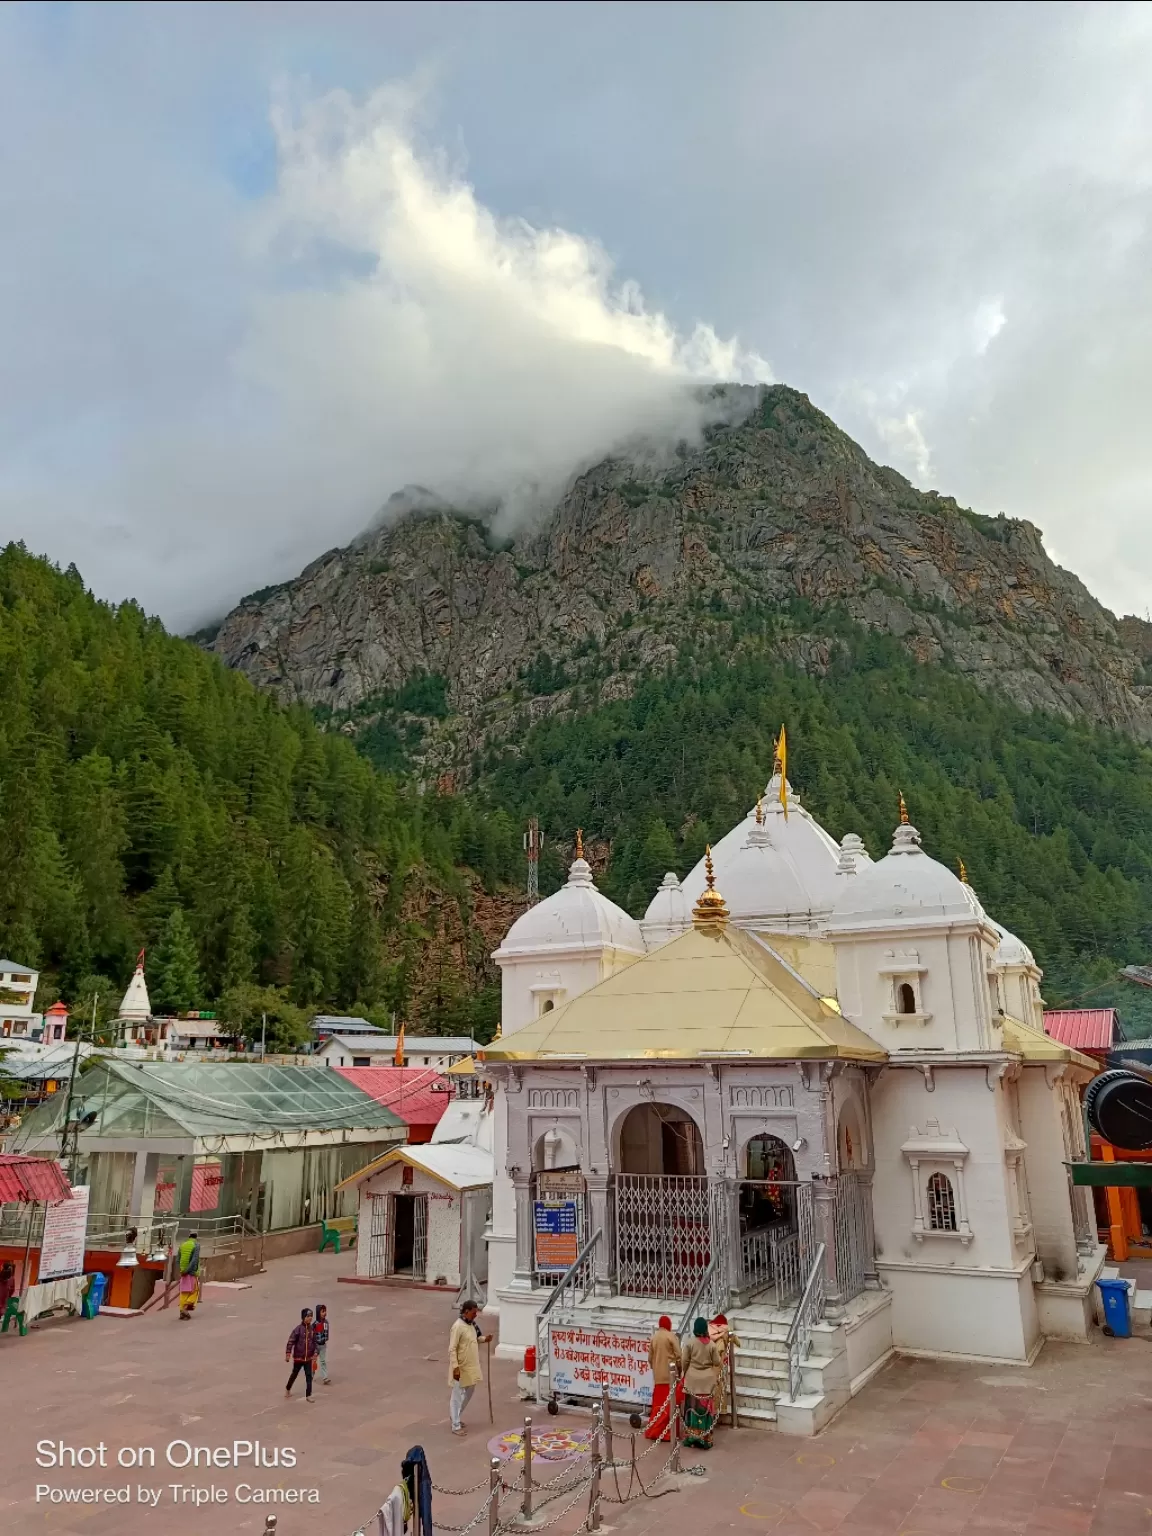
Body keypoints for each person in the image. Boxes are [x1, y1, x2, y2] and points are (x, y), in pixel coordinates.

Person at [448, 1300, 492, 1436]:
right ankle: (455, 1425)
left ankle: (457, 1416)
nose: (475, 1315)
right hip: (460, 1366)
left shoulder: (472, 1325)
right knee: (457, 1395)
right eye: (474, 1313)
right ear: (466, 1311)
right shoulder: (458, 1327)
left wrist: (485, 1339)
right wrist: (455, 1367)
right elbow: (452, 1348)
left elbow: (476, 1338)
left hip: (471, 1365)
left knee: (470, 1390)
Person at [680, 1317, 720, 1449]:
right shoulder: (712, 1345)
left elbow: (684, 1361)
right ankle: (705, 1438)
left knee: (692, 1409)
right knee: (705, 1410)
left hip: (692, 1381)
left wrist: (684, 1374)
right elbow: (717, 1362)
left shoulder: (690, 1343)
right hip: (707, 1382)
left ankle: (692, 1437)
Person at [645, 1315, 681, 1441]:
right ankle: (668, 1433)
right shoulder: (671, 1336)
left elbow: (650, 1358)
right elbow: (679, 1356)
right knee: (670, 1406)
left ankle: (655, 1431)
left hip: (658, 1378)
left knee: (658, 1406)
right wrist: (680, 1371)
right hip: (670, 1377)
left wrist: (655, 1368)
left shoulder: (654, 1338)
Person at [709, 1314, 740, 1423]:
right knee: (719, 1387)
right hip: (719, 1363)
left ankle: (711, 1413)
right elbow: (737, 1342)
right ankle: (718, 1411)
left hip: (708, 1365)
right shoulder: (726, 1331)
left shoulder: (709, 1329)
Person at [285, 1307, 318, 1402]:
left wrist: (315, 1353)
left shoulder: (312, 1330)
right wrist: (288, 1353)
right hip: (298, 1358)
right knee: (294, 1374)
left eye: (311, 1316)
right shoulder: (298, 1329)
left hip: (308, 1358)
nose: (310, 1318)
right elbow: (290, 1341)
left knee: (309, 1376)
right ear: (303, 1317)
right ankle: (288, 1388)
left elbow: (315, 1342)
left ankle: (308, 1395)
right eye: (308, 1316)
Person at [177, 1232, 200, 1321]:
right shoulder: (196, 1245)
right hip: (191, 1272)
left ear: (189, 1237)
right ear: (196, 1237)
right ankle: (186, 1307)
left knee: (184, 1292)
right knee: (195, 1291)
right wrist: (187, 1271)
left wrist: (182, 1270)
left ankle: (181, 1312)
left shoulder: (182, 1245)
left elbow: (178, 1259)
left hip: (183, 1273)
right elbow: (194, 1259)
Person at [314, 1302, 331, 1385]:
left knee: (323, 1361)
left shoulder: (326, 1322)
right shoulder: (315, 1324)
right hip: (315, 1346)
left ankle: (325, 1378)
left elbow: (326, 1334)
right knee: (313, 1361)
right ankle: (310, 1375)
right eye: (322, 1311)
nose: (325, 1313)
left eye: (325, 1311)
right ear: (318, 1313)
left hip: (323, 1345)